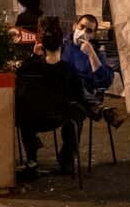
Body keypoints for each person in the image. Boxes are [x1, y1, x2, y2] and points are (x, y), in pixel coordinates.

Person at [14, 23, 86, 175]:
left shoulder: (30, 68)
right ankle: (67, 160)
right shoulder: (68, 69)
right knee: (77, 113)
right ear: (62, 45)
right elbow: (79, 95)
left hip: (32, 120)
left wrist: (34, 56)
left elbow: (19, 82)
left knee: (23, 112)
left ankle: (32, 160)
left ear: (42, 45)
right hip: (61, 116)